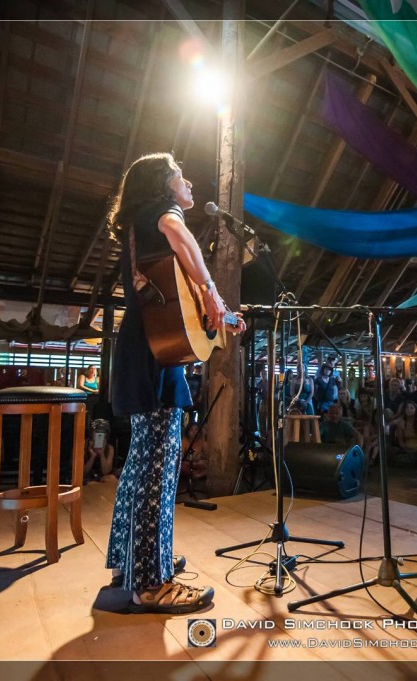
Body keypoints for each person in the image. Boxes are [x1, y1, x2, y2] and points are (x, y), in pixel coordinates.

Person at [104, 152, 245, 615]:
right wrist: (213, 293)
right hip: (152, 354)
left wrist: (218, 318)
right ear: (164, 184)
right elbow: (179, 232)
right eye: (181, 176)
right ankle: (152, 583)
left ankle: (134, 560)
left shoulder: (140, 227)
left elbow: (176, 296)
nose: (189, 184)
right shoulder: (163, 215)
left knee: (142, 463)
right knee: (159, 469)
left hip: (146, 347)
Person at [389, 400, 417, 467]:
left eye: (411, 408)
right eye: (407, 408)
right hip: (408, 449)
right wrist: (407, 449)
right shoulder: (401, 424)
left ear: (416, 410)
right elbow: (401, 442)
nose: (409, 410)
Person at [83, 419, 116, 483]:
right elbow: (82, 473)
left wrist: (102, 454)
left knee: (112, 479)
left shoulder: (109, 448)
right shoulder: (84, 445)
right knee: (92, 483)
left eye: (103, 432)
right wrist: (92, 456)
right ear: (92, 433)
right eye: (97, 431)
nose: (100, 434)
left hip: (101, 476)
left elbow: (106, 472)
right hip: (87, 477)